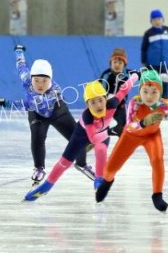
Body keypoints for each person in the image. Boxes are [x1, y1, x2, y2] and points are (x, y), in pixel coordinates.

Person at [23, 72, 139, 201]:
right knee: (64, 163)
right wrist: (111, 132)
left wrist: (135, 76)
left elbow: (124, 89)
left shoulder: (112, 104)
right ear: (87, 105)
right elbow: (92, 139)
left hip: (103, 133)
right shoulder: (87, 116)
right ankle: (47, 185)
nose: (98, 105)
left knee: (101, 150)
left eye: (100, 100)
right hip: (82, 135)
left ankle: (98, 181)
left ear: (106, 99)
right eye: (93, 103)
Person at [0, 45, 94, 185]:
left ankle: (82, 164)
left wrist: (6, 103)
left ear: (50, 80)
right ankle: (39, 168)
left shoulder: (54, 91)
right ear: (31, 79)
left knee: (77, 139)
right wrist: (19, 51)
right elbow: (21, 65)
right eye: (37, 80)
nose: (40, 84)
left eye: (44, 81)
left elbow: (26, 105)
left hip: (58, 111)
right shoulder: (26, 78)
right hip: (37, 114)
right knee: (37, 138)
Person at [95, 69, 168, 212]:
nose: (149, 96)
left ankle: (157, 195)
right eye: (145, 91)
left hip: (152, 136)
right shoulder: (135, 103)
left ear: (160, 93)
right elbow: (130, 126)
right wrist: (144, 123)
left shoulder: (163, 104)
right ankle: (107, 182)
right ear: (140, 91)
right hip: (131, 136)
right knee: (110, 169)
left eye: (154, 92)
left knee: (157, 160)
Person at [99, 48, 138, 136]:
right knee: (100, 126)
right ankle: (99, 136)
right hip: (106, 104)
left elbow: (141, 76)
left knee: (124, 125)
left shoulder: (128, 73)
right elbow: (101, 89)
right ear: (111, 63)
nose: (117, 65)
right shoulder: (106, 74)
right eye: (115, 62)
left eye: (120, 63)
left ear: (124, 65)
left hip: (120, 105)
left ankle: (121, 144)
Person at [141, 9, 168, 98]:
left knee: (165, 84)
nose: (157, 21)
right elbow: (143, 49)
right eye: (154, 19)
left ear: (162, 20)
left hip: (164, 64)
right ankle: (151, 106)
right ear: (151, 21)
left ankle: (164, 107)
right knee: (151, 85)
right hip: (151, 64)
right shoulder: (148, 33)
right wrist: (144, 62)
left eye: (159, 19)